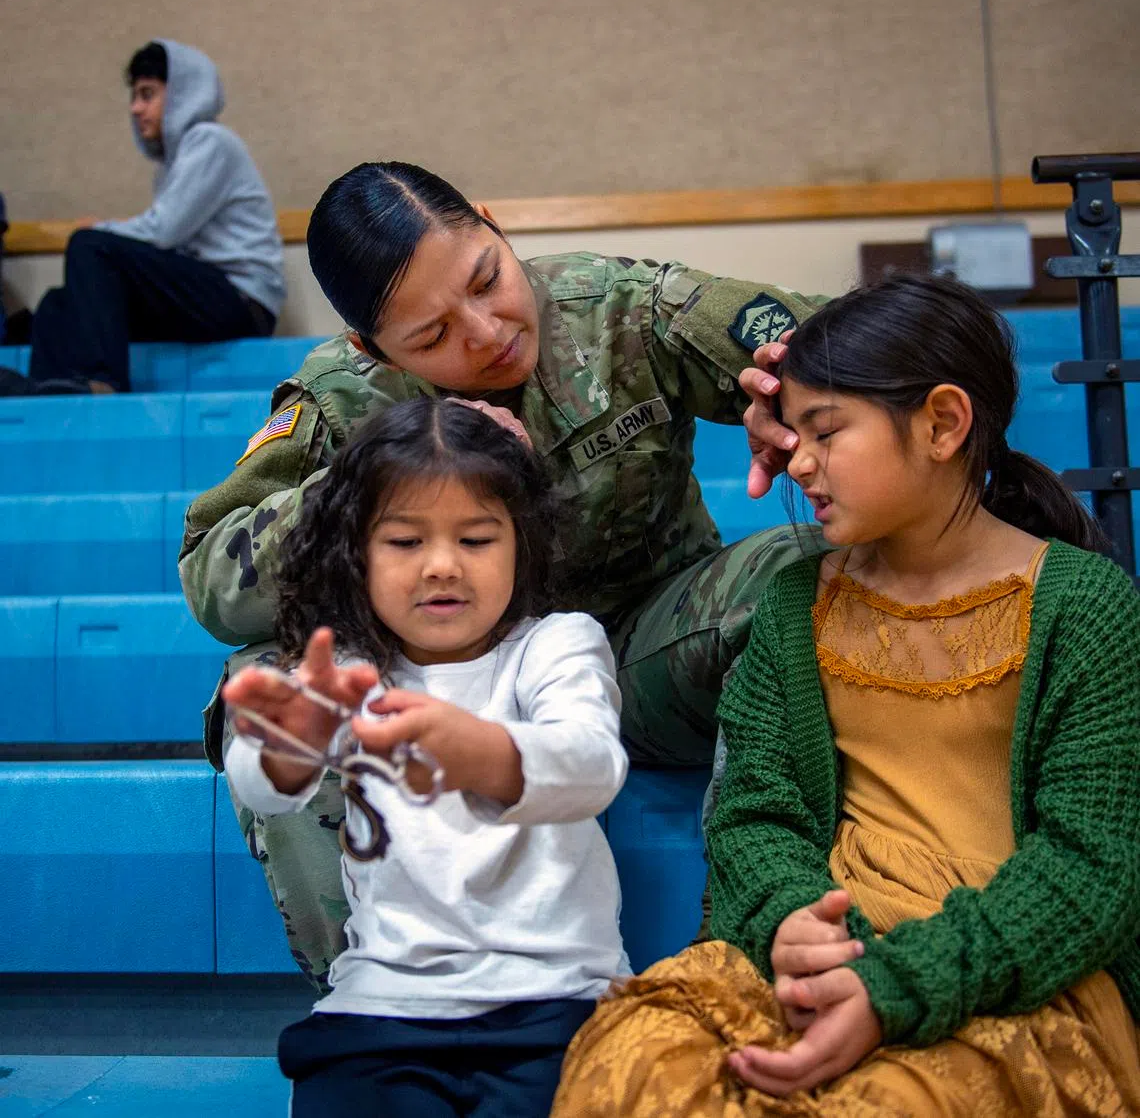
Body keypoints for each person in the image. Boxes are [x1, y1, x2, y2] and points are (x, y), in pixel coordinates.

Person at [179, 161, 825, 988]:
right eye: (433, 337)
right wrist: (370, 473)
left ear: (494, 225)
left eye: (487, 280)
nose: (485, 332)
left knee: (797, 572)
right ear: (369, 349)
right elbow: (211, 576)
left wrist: (801, 401)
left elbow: (835, 345)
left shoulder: (620, 309)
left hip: (647, 656)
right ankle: (369, 998)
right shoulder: (337, 400)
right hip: (443, 691)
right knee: (274, 686)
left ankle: (746, 944)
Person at [550, 272, 1140, 1116]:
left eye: (825, 432)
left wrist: (896, 989)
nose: (803, 462)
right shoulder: (799, 601)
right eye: (793, 434)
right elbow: (756, 813)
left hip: (1008, 965)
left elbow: (1092, 870)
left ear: (942, 423)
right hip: (834, 944)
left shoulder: (1084, 607)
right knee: (633, 1061)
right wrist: (790, 927)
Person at [223, 396, 628, 1117]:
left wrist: (479, 752)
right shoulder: (348, 670)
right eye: (405, 542)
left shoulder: (556, 643)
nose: (442, 566)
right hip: (384, 1004)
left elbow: (591, 764)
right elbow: (263, 790)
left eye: (476, 539)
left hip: (559, 999)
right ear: (356, 552)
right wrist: (291, 743)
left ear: (522, 543)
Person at [21, 40, 285, 395]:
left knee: (89, 245)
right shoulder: (171, 163)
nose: (135, 108)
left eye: (147, 95)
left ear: (182, 94)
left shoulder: (210, 141)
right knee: (56, 304)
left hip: (241, 301)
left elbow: (162, 232)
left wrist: (97, 229)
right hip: (207, 294)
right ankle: (50, 396)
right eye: (133, 97)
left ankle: (104, 381)